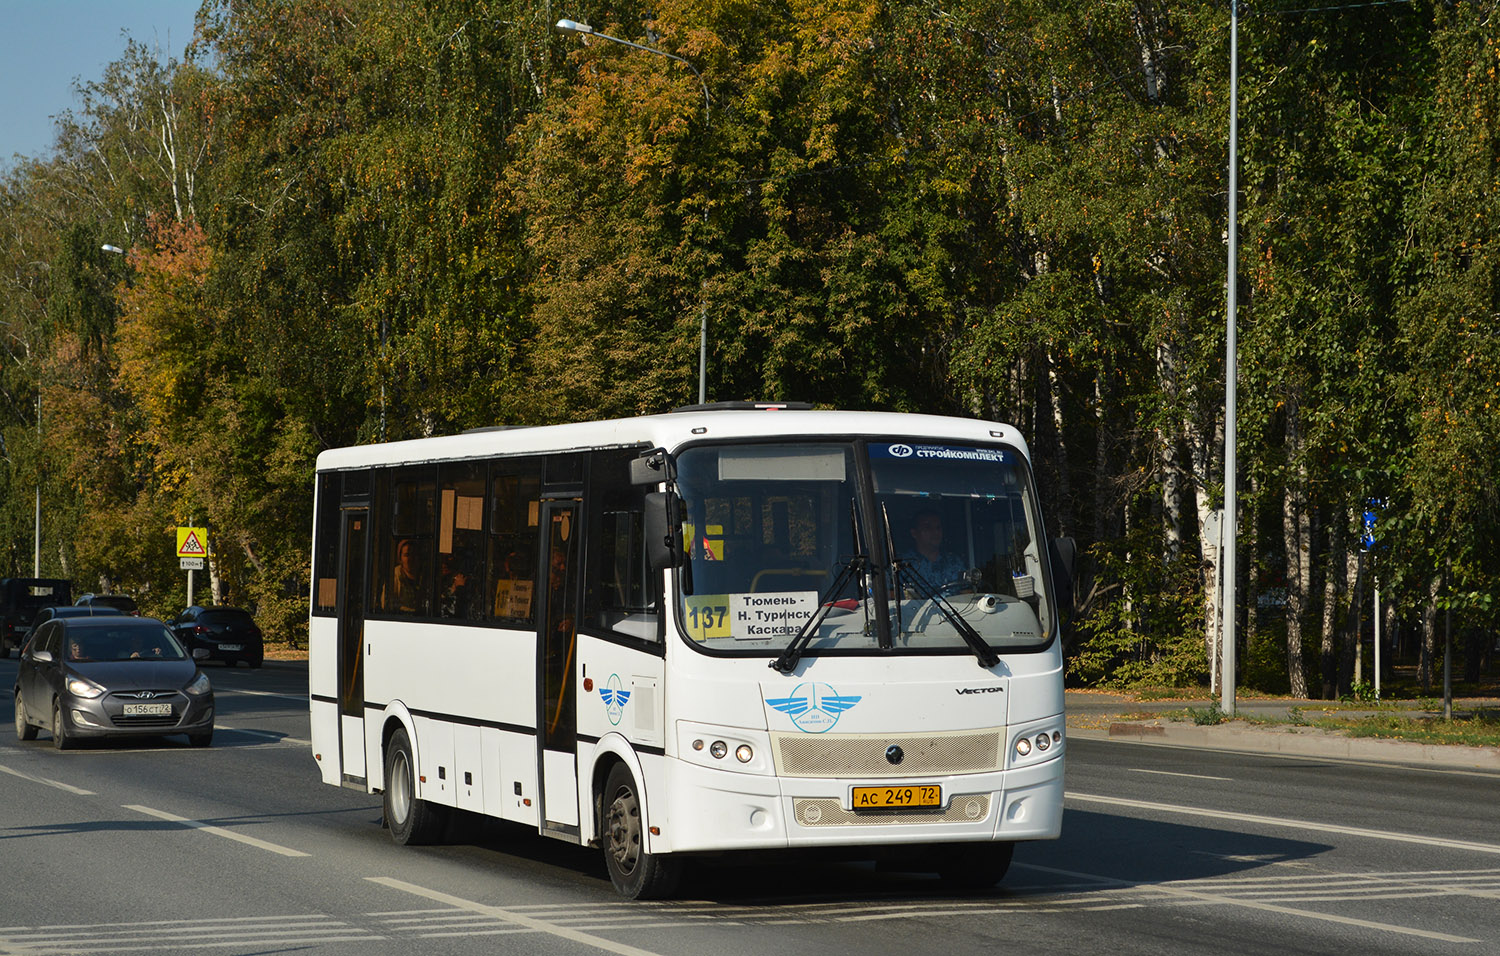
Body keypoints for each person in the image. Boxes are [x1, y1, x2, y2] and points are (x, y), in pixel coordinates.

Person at [899, 509, 969, 591]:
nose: (935, 532)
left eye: (938, 528)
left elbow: (967, 594)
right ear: (914, 533)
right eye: (928, 527)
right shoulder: (903, 566)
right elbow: (892, 597)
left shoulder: (954, 562)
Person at [388, 538, 428, 614]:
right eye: (407, 555)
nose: (411, 559)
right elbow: (387, 603)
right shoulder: (394, 576)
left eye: (414, 555)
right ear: (400, 558)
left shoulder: (425, 576)